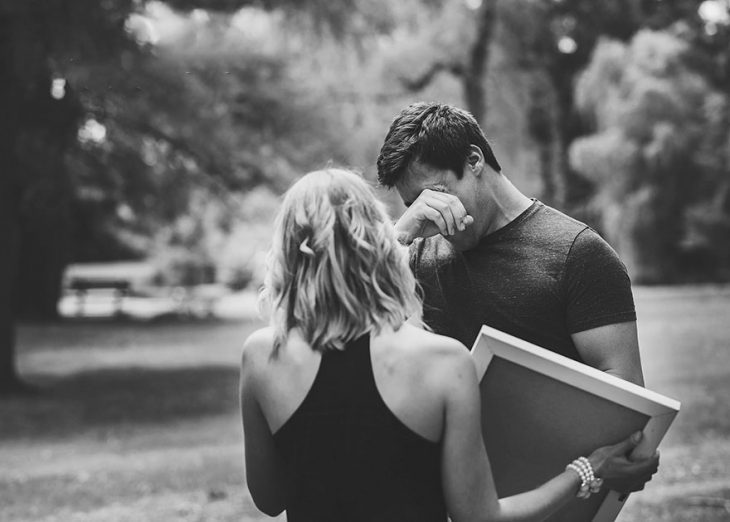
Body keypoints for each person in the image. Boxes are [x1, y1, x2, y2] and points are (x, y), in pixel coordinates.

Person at [239, 168, 659, 522]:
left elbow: (270, 499)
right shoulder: (440, 361)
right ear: (377, 238)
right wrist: (587, 471)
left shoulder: (261, 356)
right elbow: (480, 519)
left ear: (289, 252)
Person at [377, 102, 644, 386]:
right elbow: (352, 336)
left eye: (435, 194)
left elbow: (627, 394)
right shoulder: (411, 257)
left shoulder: (579, 254)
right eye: (415, 206)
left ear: (473, 160)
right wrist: (398, 236)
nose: (432, 214)